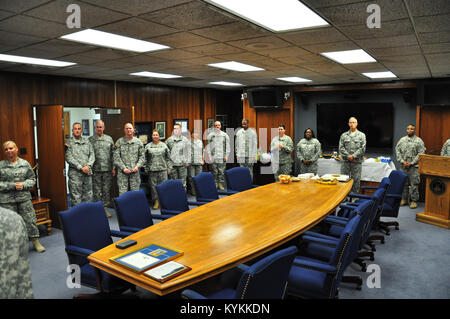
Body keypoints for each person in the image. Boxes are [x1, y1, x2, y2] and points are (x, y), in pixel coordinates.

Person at [0, 141, 45, 253]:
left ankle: (35, 241)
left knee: (30, 220)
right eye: (6, 149)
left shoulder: (25, 164)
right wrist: (12, 186)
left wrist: (23, 184)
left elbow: (32, 179)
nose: (9, 151)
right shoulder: (1, 165)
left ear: (16, 149)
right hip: (7, 200)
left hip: (24, 198)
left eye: (11, 148)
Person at [0, 206, 34, 298]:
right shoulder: (12, 219)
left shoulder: (11, 220)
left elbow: (23, 278)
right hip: (7, 200)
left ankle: (35, 239)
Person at [89, 120, 115, 217]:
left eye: (101, 127)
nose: (99, 129)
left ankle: (105, 208)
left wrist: (113, 167)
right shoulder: (90, 140)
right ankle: (97, 209)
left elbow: (113, 154)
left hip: (107, 169)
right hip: (96, 170)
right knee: (96, 190)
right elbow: (88, 155)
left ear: (104, 128)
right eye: (97, 127)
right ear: (95, 128)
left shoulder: (109, 139)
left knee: (106, 190)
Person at [396, 124, 426, 209]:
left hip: (414, 167)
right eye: (408, 129)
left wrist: (412, 162)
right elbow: (397, 151)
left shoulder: (419, 141)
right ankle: (404, 199)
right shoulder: (402, 140)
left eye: (412, 129)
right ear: (406, 130)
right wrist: (402, 161)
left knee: (414, 184)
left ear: (414, 130)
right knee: (403, 184)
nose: (410, 130)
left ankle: (414, 201)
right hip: (403, 166)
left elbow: (421, 153)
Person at [65, 122, 95, 206]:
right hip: (75, 174)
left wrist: (88, 166)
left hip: (87, 173)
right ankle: (77, 218)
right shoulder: (68, 143)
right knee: (76, 198)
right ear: (72, 130)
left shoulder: (87, 141)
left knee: (88, 196)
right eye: (75, 129)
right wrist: (81, 167)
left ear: (81, 130)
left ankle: (87, 217)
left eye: (79, 129)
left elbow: (92, 155)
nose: (77, 131)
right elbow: (68, 157)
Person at [114, 123, 145, 196]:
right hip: (123, 173)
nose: (128, 130)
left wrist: (137, 166)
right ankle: (123, 208)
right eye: (127, 128)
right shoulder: (119, 142)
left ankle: (135, 207)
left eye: (130, 128)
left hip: (135, 172)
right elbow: (116, 157)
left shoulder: (138, 142)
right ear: (124, 130)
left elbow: (142, 157)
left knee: (135, 194)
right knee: (122, 194)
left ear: (133, 130)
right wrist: (123, 168)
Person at [145, 130, 172, 209]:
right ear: (152, 136)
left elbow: (168, 158)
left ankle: (164, 201)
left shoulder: (164, 146)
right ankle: (156, 201)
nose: (155, 136)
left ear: (159, 136)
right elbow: (145, 159)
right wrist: (146, 168)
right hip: (152, 170)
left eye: (156, 135)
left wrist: (169, 168)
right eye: (153, 135)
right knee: (153, 187)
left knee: (164, 186)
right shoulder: (148, 146)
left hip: (163, 169)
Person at [338, 117, 366, 194]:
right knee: (344, 179)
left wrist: (353, 156)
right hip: (345, 161)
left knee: (356, 179)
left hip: (356, 161)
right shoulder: (344, 135)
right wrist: (348, 156)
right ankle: (344, 196)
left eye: (354, 122)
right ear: (348, 124)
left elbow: (362, 148)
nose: (352, 124)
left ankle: (354, 197)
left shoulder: (361, 135)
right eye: (350, 122)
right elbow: (341, 147)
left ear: (357, 124)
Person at [206, 121, 230, 190]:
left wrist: (227, 155)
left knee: (221, 171)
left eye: (218, 125)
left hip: (222, 157)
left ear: (220, 126)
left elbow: (227, 146)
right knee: (215, 171)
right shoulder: (210, 135)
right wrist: (209, 157)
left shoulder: (225, 135)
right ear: (214, 126)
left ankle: (221, 184)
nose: (217, 127)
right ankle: (215, 183)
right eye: (216, 125)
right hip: (214, 157)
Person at [166, 123, 190, 190]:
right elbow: (166, 154)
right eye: (174, 128)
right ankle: (175, 198)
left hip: (182, 165)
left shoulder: (185, 140)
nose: (175, 130)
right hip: (173, 165)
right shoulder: (169, 140)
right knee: (174, 183)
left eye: (177, 128)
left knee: (183, 183)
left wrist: (187, 161)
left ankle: (183, 198)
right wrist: (168, 165)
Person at [188, 129, 204, 195]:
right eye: (194, 133)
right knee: (192, 177)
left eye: (196, 133)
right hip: (191, 162)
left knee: (199, 177)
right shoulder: (188, 142)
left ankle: (198, 190)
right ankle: (193, 190)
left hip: (199, 161)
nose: (195, 135)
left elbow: (203, 151)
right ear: (191, 134)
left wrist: (203, 160)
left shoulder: (200, 142)